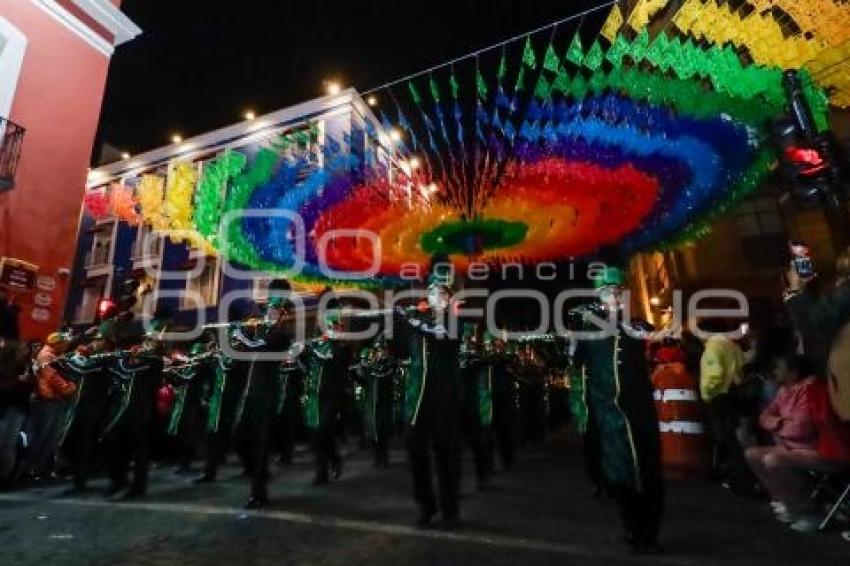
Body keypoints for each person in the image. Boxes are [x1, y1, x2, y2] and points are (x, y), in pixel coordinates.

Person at [572, 265, 664, 553]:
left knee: (647, 471)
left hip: (638, 412)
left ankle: (648, 530)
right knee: (619, 471)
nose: (611, 296)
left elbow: (648, 335)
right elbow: (577, 360)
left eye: (615, 291)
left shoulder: (635, 325)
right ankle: (631, 527)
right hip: (608, 412)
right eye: (605, 291)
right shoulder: (588, 329)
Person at [745, 353, 850, 533]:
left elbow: (800, 429)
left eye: (779, 367)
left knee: (774, 460)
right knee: (752, 454)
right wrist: (780, 422)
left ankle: (808, 511)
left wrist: (777, 424)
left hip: (824, 452)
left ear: (794, 372)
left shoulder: (811, 391)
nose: (775, 371)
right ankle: (786, 502)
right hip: (794, 447)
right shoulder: (784, 390)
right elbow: (764, 417)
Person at [397, 273, 463, 530]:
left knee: (445, 454)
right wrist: (394, 321)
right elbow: (402, 350)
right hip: (417, 400)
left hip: (443, 398)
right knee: (414, 449)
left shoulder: (454, 321)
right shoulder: (418, 322)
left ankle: (450, 510)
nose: (437, 296)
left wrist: (409, 318)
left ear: (449, 298)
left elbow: (440, 333)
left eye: (442, 293)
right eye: (433, 291)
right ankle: (426, 505)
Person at [699, 319, 753, 491]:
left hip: (719, 396)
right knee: (734, 438)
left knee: (726, 438)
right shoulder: (732, 345)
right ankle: (743, 476)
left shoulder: (713, 347)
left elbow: (715, 374)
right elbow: (743, 365)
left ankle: (737, 478)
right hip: (734, 393)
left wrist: (708, 392)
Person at [300, 315, 349, 485]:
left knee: (323, 430)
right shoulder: (316, 345)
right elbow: (303, 363)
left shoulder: (342, 348)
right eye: (334, 326)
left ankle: (331, 463)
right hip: (314, 394)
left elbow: (336, 359)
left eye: (339, 327)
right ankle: (324, 468)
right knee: (315, 434)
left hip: (332, 395)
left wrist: (325, 343)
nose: (338, 329)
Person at [22, 332, 77, 480]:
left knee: (50, 436)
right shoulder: (47, 356)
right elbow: (53, 378)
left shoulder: (54, 355)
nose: (67, 344)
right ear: (57, 343)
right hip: (48, 400)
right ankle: (33, 469)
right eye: (64, 342)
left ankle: (42, 468)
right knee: (44, 435)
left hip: (54, 400)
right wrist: (70, 388)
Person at [0, 339, 33, 486]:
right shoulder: (8, 369)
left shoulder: (25, 366)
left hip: (15, 408)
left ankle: (6, 476)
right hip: (9, 407)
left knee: (7, 444)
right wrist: (19, 381)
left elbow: (28, 389)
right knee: (6, 444)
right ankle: (5, 476)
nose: (24, 351)